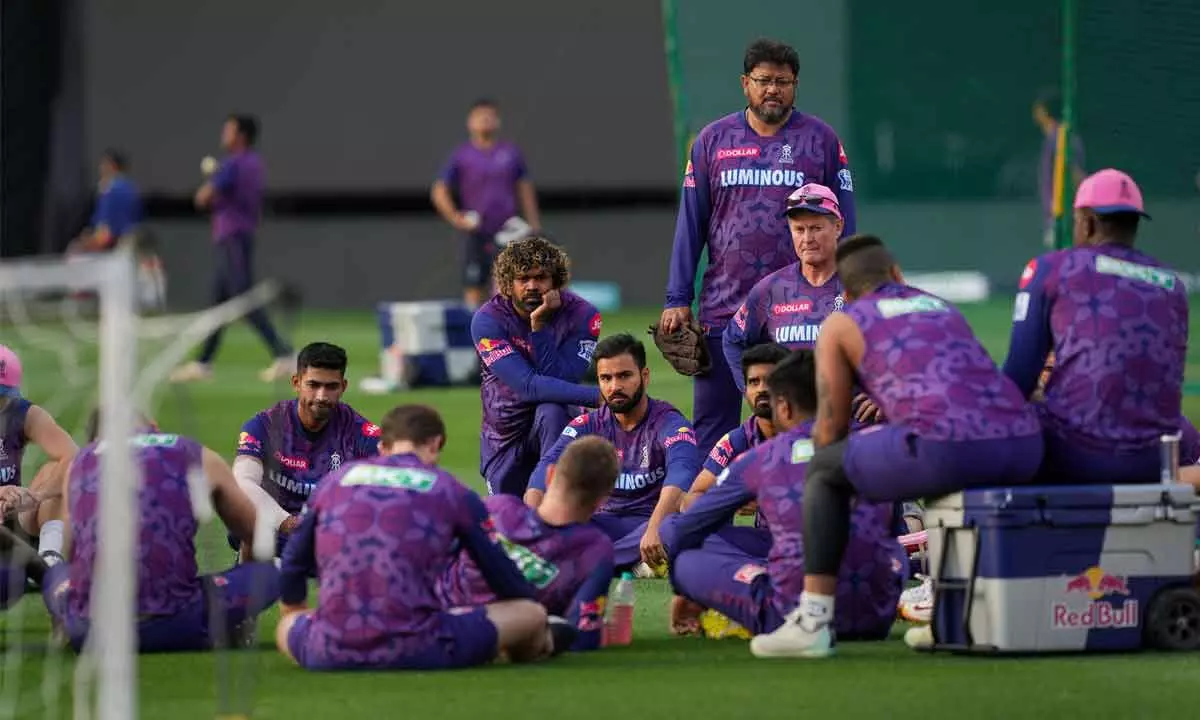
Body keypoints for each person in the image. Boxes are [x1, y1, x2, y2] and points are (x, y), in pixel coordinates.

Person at [750, 235, 1043, 659]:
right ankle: (953, 618)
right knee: (947, 489)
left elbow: (830, 428)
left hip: (947, 445)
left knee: (825, 471)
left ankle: (811, 622)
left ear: (845, 294)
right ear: (897, 274)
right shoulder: (941, 308)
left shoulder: (842, 321)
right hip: (1023, 442)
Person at [660, 37, 857, 460]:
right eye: (764, 80)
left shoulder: (821, 140)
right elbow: (689, 223)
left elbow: (845, 222)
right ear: (745, 83)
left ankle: (790, 517)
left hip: (796, 308)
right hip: (723, 304)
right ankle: (711, 521)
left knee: (796, 421)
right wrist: (678, 297)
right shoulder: (712, 141)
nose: (773, 89)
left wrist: (852, 285)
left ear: (796, 85)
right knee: (713, 429)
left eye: (782, 82)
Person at [276, 404, 570, 671]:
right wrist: (534, 608)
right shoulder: (451, 490)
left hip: (328, 651)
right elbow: (501, 575)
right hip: (419, 648)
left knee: (287, 624)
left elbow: (292, 564)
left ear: (381, 447)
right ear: (435, 445)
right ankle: (538, 641)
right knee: (528, 613)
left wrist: (306, 615)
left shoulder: (333, 482)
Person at [663, 350, 904, 642]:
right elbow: (893, 530)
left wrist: (689, 588)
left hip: (794, 613)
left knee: (682, 551)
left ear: (785, 407)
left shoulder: (763, 457)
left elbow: (688, 527)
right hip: (875, 616)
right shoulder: (873, 447)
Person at [1002, 169, 1187, 485]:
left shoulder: (1050, 269)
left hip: (1077, 454)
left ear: (1086, 222)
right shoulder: (1173, 284)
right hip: (1155, 462)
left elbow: (1017, 379)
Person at [41, 411, 278, 652]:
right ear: (154, 427)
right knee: (274, 572)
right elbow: (259, 535)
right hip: (176, 623)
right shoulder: (196, 454)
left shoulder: (78, 464)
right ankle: (232, 624)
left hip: (90, 631)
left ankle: (64, 624)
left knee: (54, 573)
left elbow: (72, 553)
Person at [524, 334, 699, 572]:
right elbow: (547, 467)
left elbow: (683, 472)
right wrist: (534, 526)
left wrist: (654, 527)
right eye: (606, 378)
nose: (615, 386)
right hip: (602, 523)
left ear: (644, 377)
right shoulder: (587, 424)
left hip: (650, 523)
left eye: (624, 376)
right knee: (558, 521)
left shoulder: (669, 422)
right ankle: (632, 563)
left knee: (679, 523)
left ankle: (584, 561)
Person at [439, 435, 618, 652]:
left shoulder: (496, 506)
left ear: (550, 475)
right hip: (502, 628)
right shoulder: (594, 549)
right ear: (602, 500)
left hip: (434, 616)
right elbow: (581, 634)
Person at [471, 235, 602, 497]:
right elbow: (528, 386)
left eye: (540, 277)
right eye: (523, 279)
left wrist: (539, 327)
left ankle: (555, 503)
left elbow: (563, 379)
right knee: (509, 531)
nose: (532, 286)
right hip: (504, 437)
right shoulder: (488, 320)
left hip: (556, 426)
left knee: (552, 410)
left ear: (556, 281)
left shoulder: (583, 316)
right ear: (508, 283)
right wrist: (599, 396)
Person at [170, 114, 293, 384]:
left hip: (232, 237)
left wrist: (210, 181)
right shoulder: (254, 163)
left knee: (242, 300)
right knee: (220, 303)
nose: (224, 134)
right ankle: (203, 363)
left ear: (240, 135)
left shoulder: (233, 164)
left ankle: (284, 354)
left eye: (228, 129)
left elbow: (203, 197)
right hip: (242, 235)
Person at [230, 342, 379, 560]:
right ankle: (248, 587)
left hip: (334, 533)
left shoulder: (363, 434)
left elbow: (388, 490)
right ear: (296, 383)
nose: (321, 396)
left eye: (331, 387)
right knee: (247, 525)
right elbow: (241, 482)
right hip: (278, 527)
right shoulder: (265, 425)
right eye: (313, 385)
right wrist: (289, 523)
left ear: (343, 387)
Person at [722, 183, 844, 389]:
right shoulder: (770, 289)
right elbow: (733, 340)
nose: (807, 239)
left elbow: (901, 340)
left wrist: (879, 395)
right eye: (799, 229)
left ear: (838, 227)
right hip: (790, 417)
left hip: (850, 419)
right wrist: (753, 392)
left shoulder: (861, 284)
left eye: (816, 228)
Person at [432, 99, 542, 309]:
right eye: (479, 116)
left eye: (489, 116)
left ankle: (508, 334)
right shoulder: (461, 155)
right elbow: (439, 190)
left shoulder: (510, 153)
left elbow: (525, 188)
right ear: (469, 122)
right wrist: (456, 218)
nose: (485, 120)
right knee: (474, 285)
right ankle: (475, 334)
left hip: (508, 231)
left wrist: (534, 224)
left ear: (498, 121)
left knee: (508, 284)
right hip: (476, 232)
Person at [0, 345, 77, 601]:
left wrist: (32, 496)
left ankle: (48, 560)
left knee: (56, 470)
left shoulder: (24, 413)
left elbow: (74, 456)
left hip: (13, 517)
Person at [682, 341, 789, 512]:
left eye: (770, 380)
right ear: (745, 390)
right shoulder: (738, 440)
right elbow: (692, 498)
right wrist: (731, 502)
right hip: (764, 537)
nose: (761, 389)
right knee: (671, 527)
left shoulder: (816, 431)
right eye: (754, 382)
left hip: (814, 533)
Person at [1033, 88, 1086, 249]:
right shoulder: (1053, 137)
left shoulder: (1062, 136)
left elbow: (1076, 174)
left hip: (1064, 219)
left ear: (1044, 110)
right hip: (1056, 218)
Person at [67, 149, 143, 255]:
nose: (100, 169)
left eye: (103, 165)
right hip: (131, 246)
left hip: (113, 248)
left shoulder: (110, 190)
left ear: (111, 166)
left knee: (74, 250)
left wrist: (85, 243)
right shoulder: (133, 189)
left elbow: (105, 232)